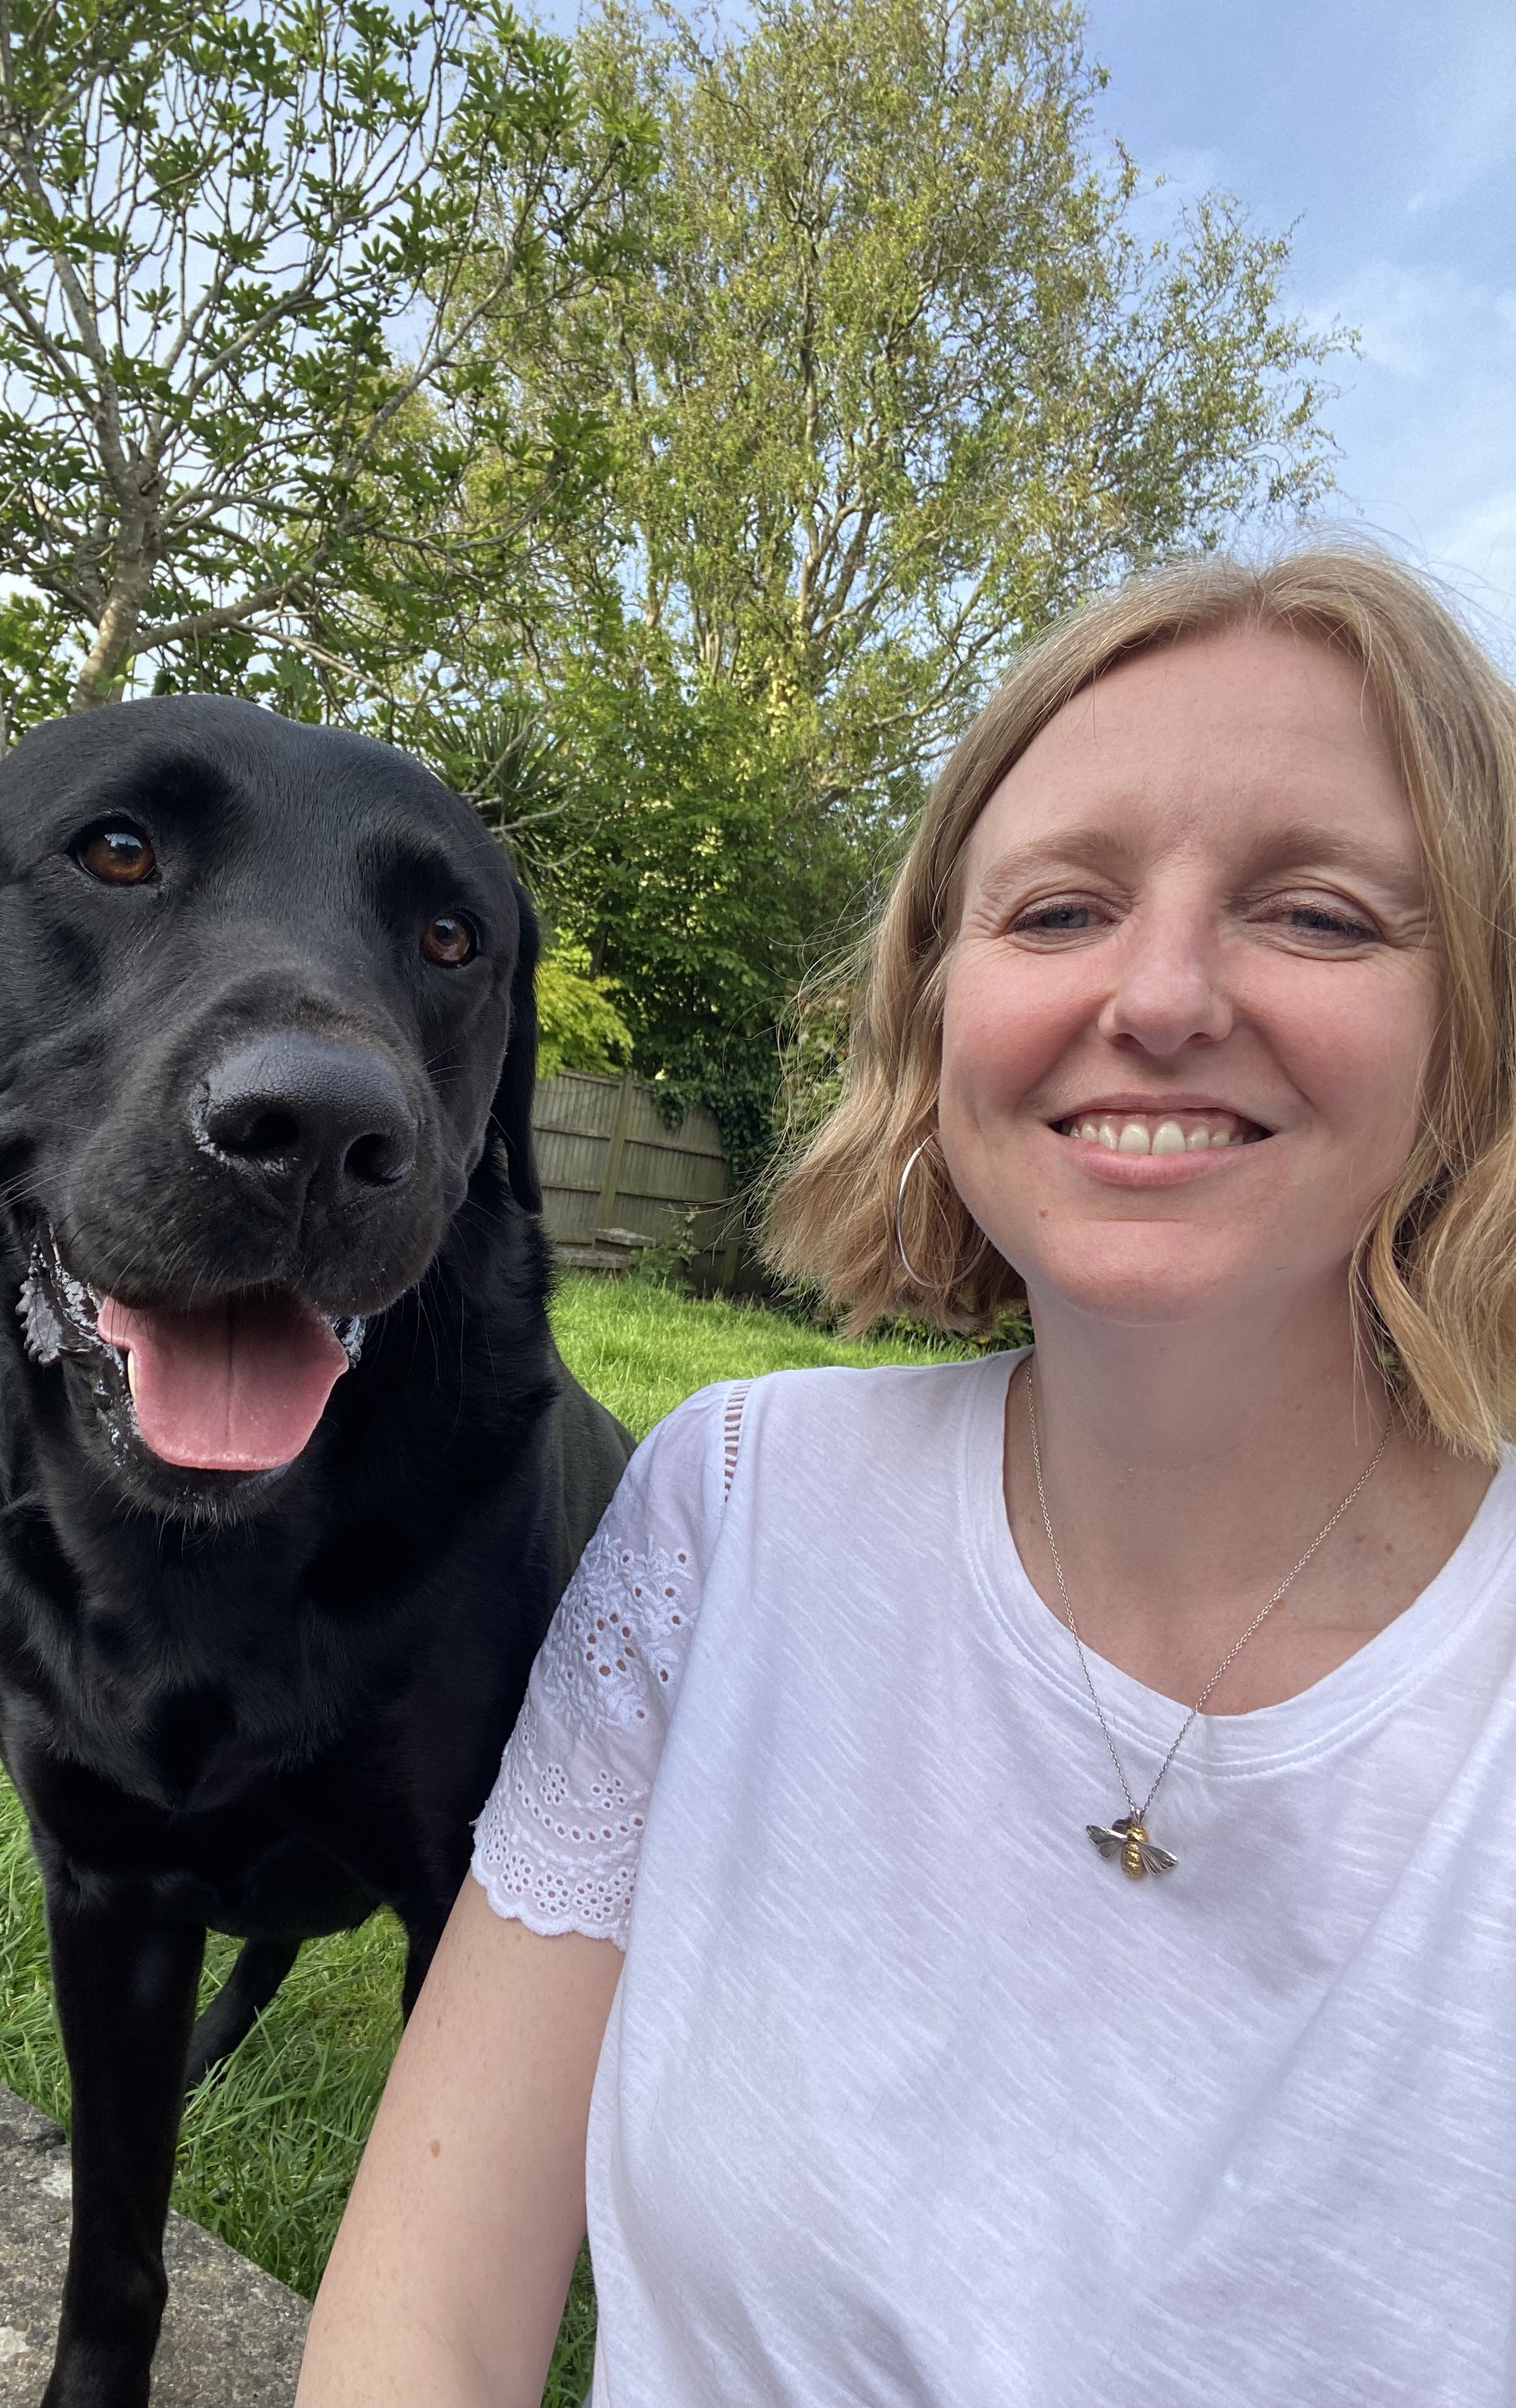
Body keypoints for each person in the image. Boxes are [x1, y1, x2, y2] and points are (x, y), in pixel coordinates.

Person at [297, 547, 1516, 2407]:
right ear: (936, 1007)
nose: (1161, 992)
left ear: (1479, 1027)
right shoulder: (732, 1504)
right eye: (1056, 910)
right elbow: (425, 2327)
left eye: (1320, 914)